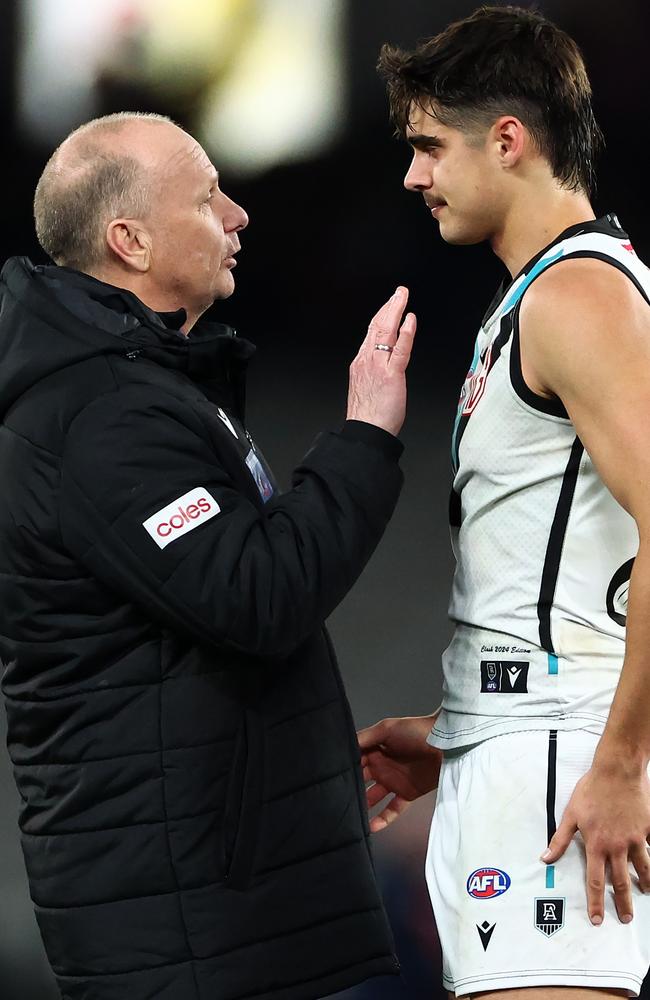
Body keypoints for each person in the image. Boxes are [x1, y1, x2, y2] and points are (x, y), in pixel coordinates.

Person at [0, 111, 417, 1000]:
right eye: (207, 198)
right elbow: (260, 595)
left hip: (194, 904)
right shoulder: (101, 417)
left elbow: (183, 639)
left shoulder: (127, 390)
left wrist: (283, 760)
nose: (239, 215)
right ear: (130, 240)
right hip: (184, 927)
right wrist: (364, 433)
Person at [359, 6, 650, 999]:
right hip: (518, 755)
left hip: (565, 773)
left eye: (429, 146)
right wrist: (457, 732)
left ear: (508, 140)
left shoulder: (578, 296)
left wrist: (615, 765)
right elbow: (562, 582)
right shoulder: (528, 302)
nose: (414, 175)